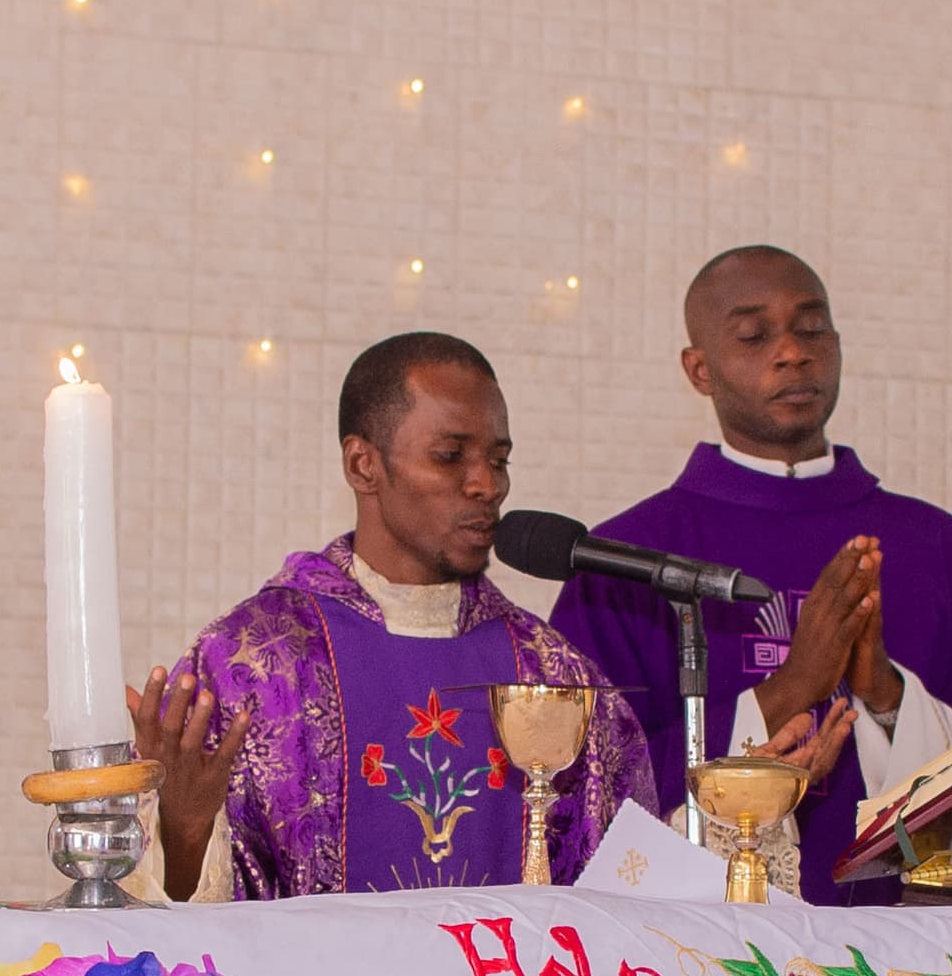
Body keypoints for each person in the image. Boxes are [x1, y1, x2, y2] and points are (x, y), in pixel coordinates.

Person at [549, 248, 952, 902]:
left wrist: (889, 700)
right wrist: (790, 689)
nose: (792, 352)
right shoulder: (627, 559)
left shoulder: (936, 546)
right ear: (700, 369)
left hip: (909, 948)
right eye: (754, 336)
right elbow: (580, 796)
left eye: (812, 329)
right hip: (697, 956)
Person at [129, 331, 681, 897]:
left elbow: (625, 909)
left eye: (498, 460)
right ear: (363, 464)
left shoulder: (553, 678)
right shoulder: (252, 665)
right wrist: (183, 829)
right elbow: (178, 932)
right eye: (450, 456)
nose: (487, 485)